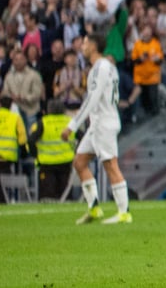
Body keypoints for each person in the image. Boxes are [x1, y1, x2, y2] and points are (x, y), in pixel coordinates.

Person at [66, 35, 133, 224]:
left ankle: (124, 212)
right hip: (98, 123)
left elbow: (91, 99)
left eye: (86, 43)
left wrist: (72, 126)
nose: (82, 46)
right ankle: (94, 208)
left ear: (94, 46)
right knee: (80, 162)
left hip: (104, 123)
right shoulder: (108, 67)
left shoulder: (100, 68)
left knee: (110, 165)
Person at [31, 98, 77, 200]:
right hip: (66, 163)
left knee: (48, 197)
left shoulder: (42, 122)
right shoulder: (70, 122)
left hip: (47, 164)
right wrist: (76, 152)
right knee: (66, 196)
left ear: (49, 109)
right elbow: (82, 137)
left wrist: (36, 155)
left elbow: (31, 140)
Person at [0, 90, 28, 203]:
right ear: (11, 105)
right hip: (5, 157)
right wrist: (24, 152)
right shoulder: (15, 118)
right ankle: (0, 204)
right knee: (1, 184)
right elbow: (22, 136)